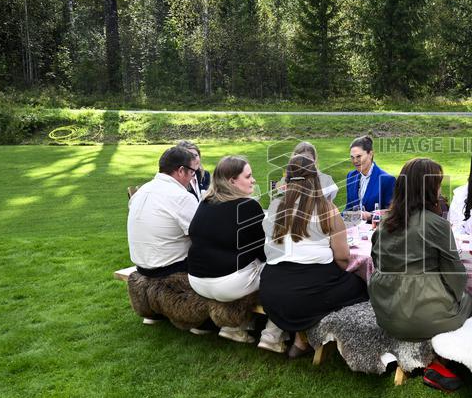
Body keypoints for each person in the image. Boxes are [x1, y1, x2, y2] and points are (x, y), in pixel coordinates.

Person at [261, 154, 368, 358]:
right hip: (307, 292)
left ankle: (298, 337)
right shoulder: (326, 208)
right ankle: (306, 338)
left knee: (311, 288)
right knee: (361, 285)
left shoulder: (275, 207)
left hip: (271, 291)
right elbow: (344, 257)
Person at [370, 158, 472, 341]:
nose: (440, 190)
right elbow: (456, 275)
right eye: (438, 185)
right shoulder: (437, 225)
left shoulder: (383, 224)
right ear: (428, 188)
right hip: (422, 319)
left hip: (386, 315)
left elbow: (376, 262)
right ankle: (455, 356)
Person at [186, 155, 267, 343]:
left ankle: (242, 324)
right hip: (228, 285)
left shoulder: (204, 203)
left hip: (197, 280)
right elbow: (263, 253)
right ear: (232, 181)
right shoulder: (248, 206)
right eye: (248, 176)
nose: (253, 180)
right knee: (280, 267)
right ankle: (275, 330)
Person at [126, 145, 202, 328]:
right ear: (181, 170)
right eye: (193, 172)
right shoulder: (180, 197)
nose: (194, 177)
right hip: (170, 269)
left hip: (143, 266)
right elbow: (203, 234)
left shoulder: (143, 190)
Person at [344, 135, 396, 218]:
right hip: (354, 227)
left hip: (376, 229)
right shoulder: (351, 176)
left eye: (359, 156)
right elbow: (348, 209)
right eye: (352, 157)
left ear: (370, 154)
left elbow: (392, 213)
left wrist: (371, 216)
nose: (355, 161)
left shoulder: (387, 179)